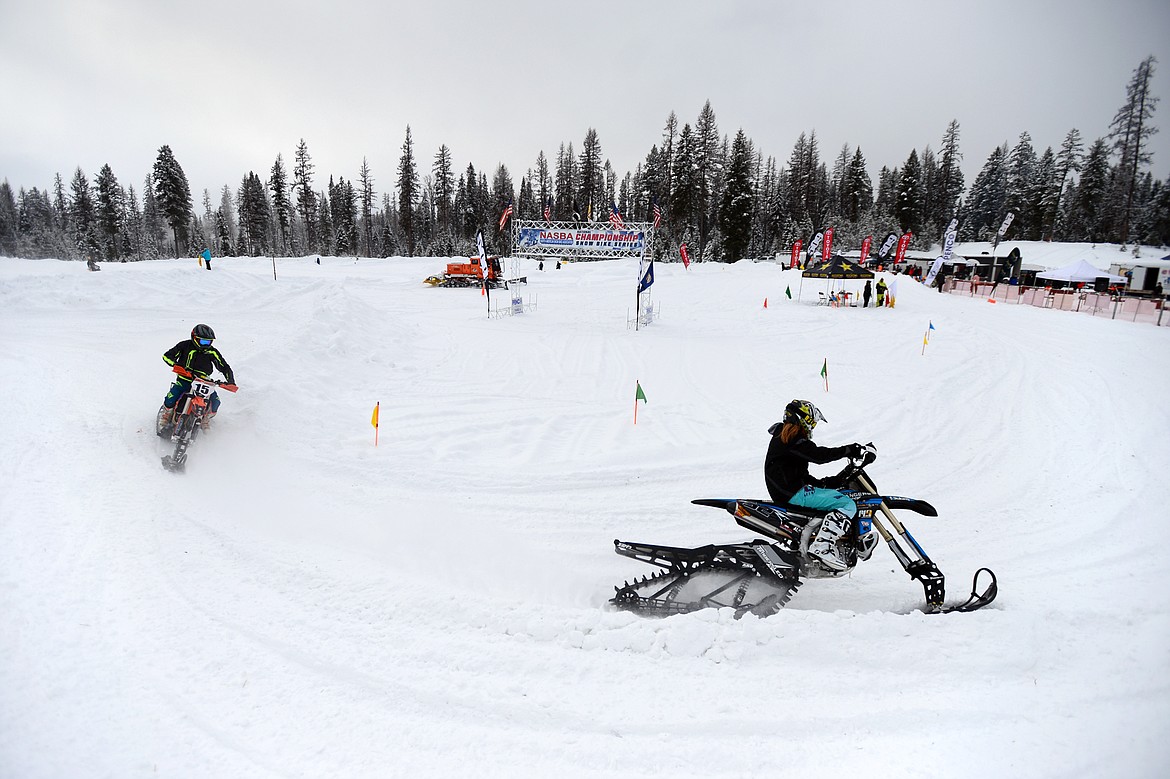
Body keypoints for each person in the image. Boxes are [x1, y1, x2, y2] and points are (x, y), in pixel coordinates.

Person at [763, 400, 876, 571]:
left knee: (837, 497)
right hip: (793, 493)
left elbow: (803, 477)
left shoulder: (785, 438)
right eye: (812, 422)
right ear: (804, 419)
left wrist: (833, 481)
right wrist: (852, 450)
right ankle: (822, 547)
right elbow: (819, 456)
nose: (813, 426)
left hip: (790, 491)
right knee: (847, 504)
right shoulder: (792, 437)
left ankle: (825, 542)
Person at [159, 324, 236, 430]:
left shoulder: (212, 351)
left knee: (215, 402)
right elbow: (166, 356)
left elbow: (224, 366)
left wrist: (230, 381)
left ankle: (206, 419)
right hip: (184, 378)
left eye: (208, 342)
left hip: (203, 382)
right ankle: (167, 413)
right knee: (172, 397)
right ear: (194, 338)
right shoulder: (184, 345)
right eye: (203, 341)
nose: (206, 344)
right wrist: (176, 365)